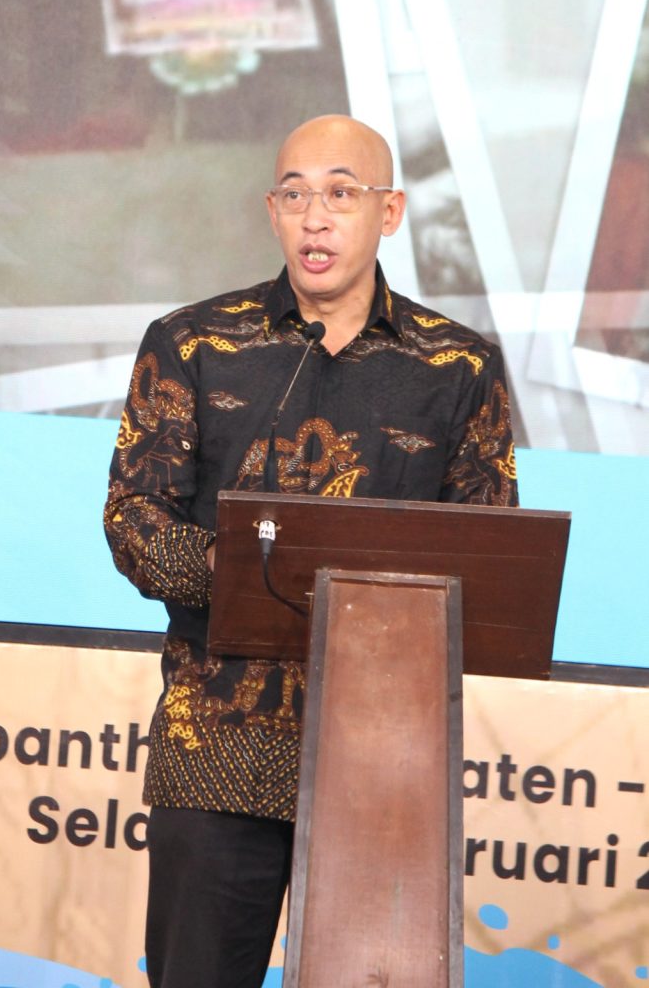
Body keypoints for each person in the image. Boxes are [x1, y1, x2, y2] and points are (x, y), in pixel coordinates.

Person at [103, 114, 518, 988]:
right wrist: (238, 572)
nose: (314, 217)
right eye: (293, 196)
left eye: (340, 193)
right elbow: (134, 518)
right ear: (271, 212)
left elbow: (488, 550)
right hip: (216, 741)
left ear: (389, 212)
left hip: (385, 758)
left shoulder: (458, 368)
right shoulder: (193, 344)